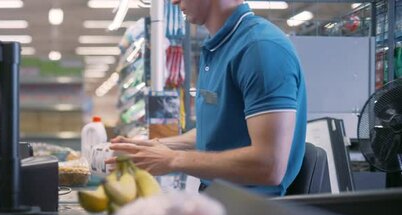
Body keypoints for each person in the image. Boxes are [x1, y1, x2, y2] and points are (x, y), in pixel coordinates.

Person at [110, 0, 307, 196]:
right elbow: (216, 133)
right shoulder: (217, 46)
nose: (174, 1)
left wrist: (172, 159)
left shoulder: (260, 49)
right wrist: (157, 147)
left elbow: (269, 165)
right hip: (220, 197)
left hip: (253, 211)